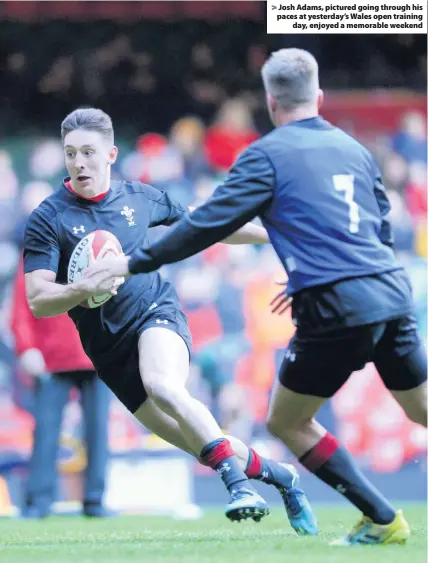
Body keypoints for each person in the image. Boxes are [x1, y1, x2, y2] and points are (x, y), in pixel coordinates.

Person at [91, 49, 427, 546]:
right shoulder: (354, 149)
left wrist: (135, 260)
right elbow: (380, 225)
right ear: (318, 96)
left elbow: (207, 223)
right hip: (392, 292)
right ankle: (381, 519)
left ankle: (382, 519)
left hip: (335, 305)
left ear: (270, 102)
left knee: (286, 422)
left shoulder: (266, 155)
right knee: (421, 409)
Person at [23, 107, 317, 532]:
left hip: (154, 314)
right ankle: (282, 477)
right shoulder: (49, 218)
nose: (79, 162)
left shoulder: (140, 198)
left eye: (88, 152)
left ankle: (238, 488)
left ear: (110, 154)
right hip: (108, 353)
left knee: (164, 385)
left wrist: (277, 234)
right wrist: (82, 289)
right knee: (202, 442)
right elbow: (38, 298)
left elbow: (209, 225)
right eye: (71, 153)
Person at [11, 257, 110, 518]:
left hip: (95, 353)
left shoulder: (100, 240)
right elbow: (22, 300)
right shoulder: (41, 245)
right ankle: (38, 501)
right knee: (45, 430)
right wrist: (27, 346)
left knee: (98, 428)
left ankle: (95, 499)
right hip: (51, 357)